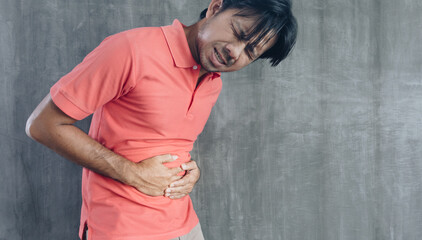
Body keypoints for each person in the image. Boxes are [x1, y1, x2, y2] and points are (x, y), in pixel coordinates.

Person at [25, 0, 297, 239]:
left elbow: (161, 141)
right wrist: (135, 174)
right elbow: (43, 124)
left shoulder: (213, 82)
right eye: (238, 33)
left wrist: (190, 171)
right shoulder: (131, 49)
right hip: (123, 229)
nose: (235, 52)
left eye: (251, 52)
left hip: (185, 225)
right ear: (216, 7)